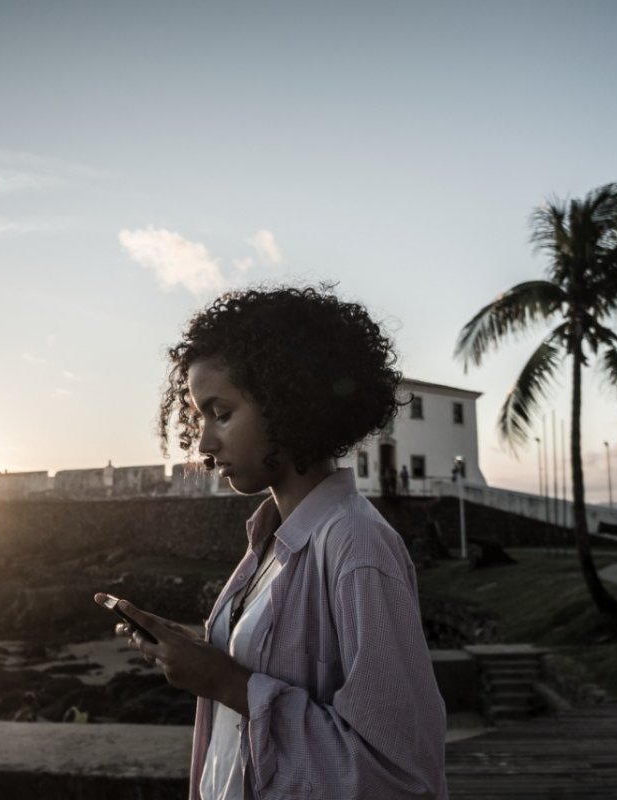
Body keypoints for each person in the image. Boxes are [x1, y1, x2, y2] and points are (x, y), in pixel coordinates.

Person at [97, 286, 448, 799]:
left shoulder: (357, 549)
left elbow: (401, 776)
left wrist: (223, 681)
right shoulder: (270, 543)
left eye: (221, 413)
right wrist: (202, 652)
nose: (204, 444)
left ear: (289, 401)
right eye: (199, 418)